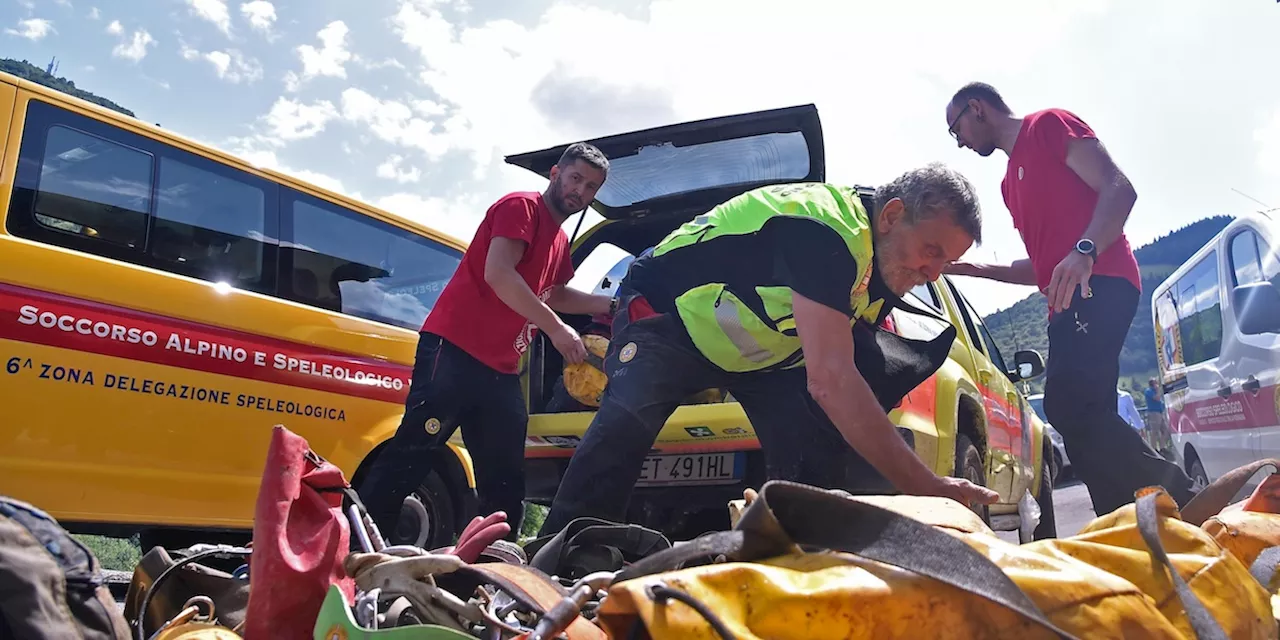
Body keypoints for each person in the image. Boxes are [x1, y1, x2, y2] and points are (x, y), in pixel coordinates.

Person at [537, 164, 1001, 536]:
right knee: (625, 422)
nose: (935, 271)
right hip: (667, 316)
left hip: (762, 355)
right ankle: (561, 557)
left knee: (812, 455)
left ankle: (805, 562)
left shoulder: (883, 263)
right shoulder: (825, 230)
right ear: (893, 215)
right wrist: (928, 487)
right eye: (932, 250)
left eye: (947, 261)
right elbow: (831, 380)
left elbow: (839, 379)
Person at [941, 82, 1196, 514]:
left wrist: (1086, 251)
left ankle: (1183, 498)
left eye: (956, 127)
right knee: (1084, 415)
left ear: (977, 108)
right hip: (1064, 300)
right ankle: (1128, 518)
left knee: (1067, 403)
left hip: (1102, 281)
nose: (960, 141)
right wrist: (971, 269)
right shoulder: (1008, 184)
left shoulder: (1049, 126)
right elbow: (1043, 267)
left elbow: (1120, 189)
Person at [357, 142, 617, 542]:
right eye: (575, 178)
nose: (580, 192)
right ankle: (354, 550)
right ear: (555, 173)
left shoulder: (560, 241)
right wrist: (557, 329)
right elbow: (500, 273)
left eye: (591, 187)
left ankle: (495, 567)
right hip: (454, 351)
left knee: (506, 476)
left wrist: (613, 304)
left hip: (500, 370)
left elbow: (556, 293)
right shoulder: (521, 208)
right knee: (412, 455)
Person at [1144, 378, 1174, 458]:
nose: (1157, 385)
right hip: (1153, 413)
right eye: (1155, 383)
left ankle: (1162, 447)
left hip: (1160, 412)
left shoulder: (1154, 391)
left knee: (1165, 430)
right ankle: (1153, 449)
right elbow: (1156, 398)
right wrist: (1158, 391)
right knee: (1155, 432)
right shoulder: (1149, 391)